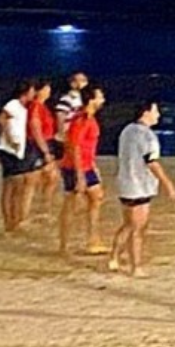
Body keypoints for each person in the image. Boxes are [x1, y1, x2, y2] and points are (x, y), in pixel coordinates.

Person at [109, 100, 175, 277]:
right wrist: (167, 183)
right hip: (139, 186)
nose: (158, 115)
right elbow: (152, 162)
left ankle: (114, 257)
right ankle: (136, 266)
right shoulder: (147, 136)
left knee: (128, 224)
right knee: (138, 228)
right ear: (146, 113)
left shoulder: (127, 130)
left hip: (125, 183)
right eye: (155, 111)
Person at [57, 84, 108, 257]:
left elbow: (87, 147)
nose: (103, 100)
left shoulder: (89, 118)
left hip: (86, 165)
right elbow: (75, 146)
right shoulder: (82, 119)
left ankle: (92, 240)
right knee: (71, 204)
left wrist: (93, 167)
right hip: (75, 166)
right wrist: (80, 176)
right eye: (100, 97)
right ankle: (64, 245)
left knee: (96, 197)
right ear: (92, 100)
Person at [0, 81, 39, 232]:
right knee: (11, 186)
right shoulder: (13, 104)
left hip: (16, 149)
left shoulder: (22, 108)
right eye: (32, 91)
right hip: (9, 150)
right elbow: (2, 119)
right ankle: (9, 221)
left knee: (15, 186)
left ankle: (14, 220)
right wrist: (9, 139)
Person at [25, 78, 60, 222]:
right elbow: (35, 129)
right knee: (33, 181)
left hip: (46, 143)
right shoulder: (35, 107)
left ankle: (44, 209)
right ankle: (27, 213)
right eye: (46, 89)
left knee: (51, 178)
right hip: (38, 145)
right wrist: (45, 151)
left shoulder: (42, 107)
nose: (48, 91)